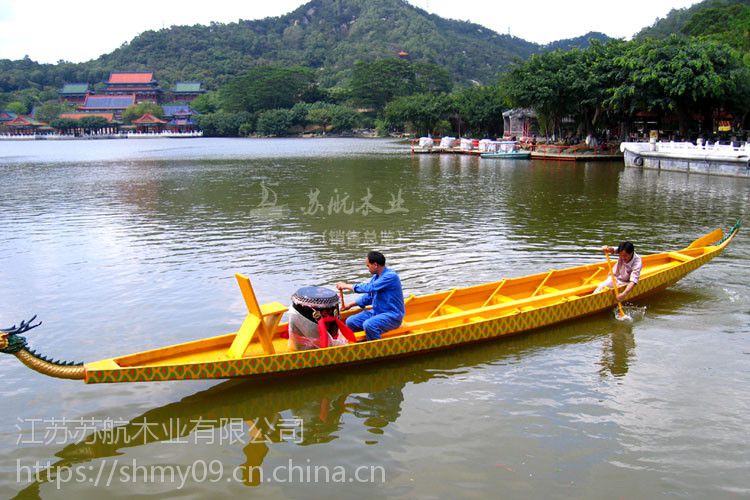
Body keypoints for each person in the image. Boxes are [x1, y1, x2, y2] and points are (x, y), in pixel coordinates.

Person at [336, 251, 404, 341]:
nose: (368, 268)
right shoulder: (376, 278)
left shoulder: (390, 276)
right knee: (350, 322)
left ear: (375, 265)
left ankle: (377, 348)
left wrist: (346, 286)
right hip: (377, 312)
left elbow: (370, 288)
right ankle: (362, 341)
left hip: (392, 316)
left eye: (368, 266)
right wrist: (350, 305)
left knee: (369, 324)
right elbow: (369, 297)